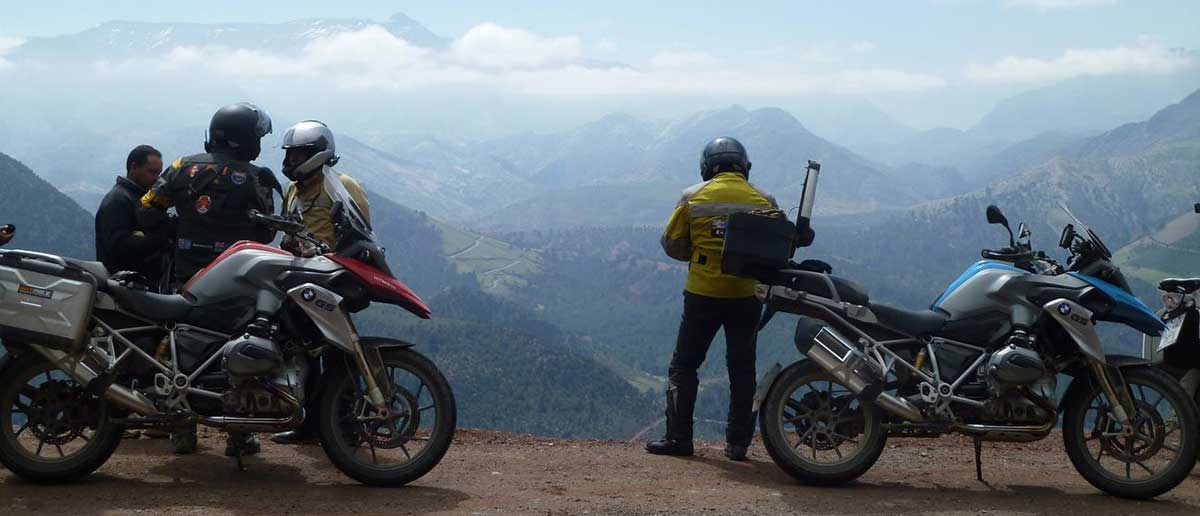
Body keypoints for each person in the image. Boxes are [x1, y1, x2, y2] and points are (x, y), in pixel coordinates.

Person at [139, 102, 282, 457]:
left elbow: (147, 208)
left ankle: (181, 429)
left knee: (179, 348)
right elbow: (265, 233)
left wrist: (177, 231)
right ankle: (238, 435)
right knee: (239, 351)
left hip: (186, 277)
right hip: (235, 281)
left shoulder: (180, 167)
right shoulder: (254, 178)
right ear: (245, 139)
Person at [646, 137, 777, 461]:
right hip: (747, 295)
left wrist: (702, 254)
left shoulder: (693, 197)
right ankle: (737, 445)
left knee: (685, 366)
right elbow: (776, 248)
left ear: (707, 167)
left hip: (702, 294)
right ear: (744, 166)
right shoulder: (764, 199)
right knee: (742, 369)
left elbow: (672, 243)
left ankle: (679, 439)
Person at [269, 120, 370, 446]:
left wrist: (331, 253)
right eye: (291, 154)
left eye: (299, 155)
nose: (292, 161)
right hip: (302, 281)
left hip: (334, 280)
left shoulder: (342, 186)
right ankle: (308, 424)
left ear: (318, 154)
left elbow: (361, 235)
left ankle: (348, 427)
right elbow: (287, 235)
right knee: (303, 351)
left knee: (339, 352)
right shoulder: (293, 191)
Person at [95, 145, 167, 284]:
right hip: (122, 286)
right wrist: (158, 239)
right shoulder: (118, 200)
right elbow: (118, 247)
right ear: (133, 167)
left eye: (159, 173)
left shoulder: (141, 199)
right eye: (152, 172)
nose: (156, 179)